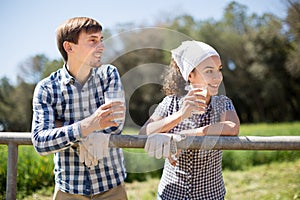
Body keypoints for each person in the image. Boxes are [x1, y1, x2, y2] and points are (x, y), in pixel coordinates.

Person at [31, 17, 128, 199]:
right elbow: (40, 142)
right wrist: (89, 126)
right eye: (93, 40)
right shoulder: (46, 88)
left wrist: (64, 127)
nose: (101, 46)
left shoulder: (109, 74)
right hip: (68, 190)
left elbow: (115, 123)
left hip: (111, 187)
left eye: (101, 39)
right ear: (69, 47)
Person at [141, 40, 240, 199]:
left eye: (219, 70)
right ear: (190, 75)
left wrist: (188, 134)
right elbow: (144, 132)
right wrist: (181, 114)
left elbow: (232, 127)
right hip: (170, 194)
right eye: (209, 71)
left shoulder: (222, 103)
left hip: (210, 195)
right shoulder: (170, 102)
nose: (217, 77)